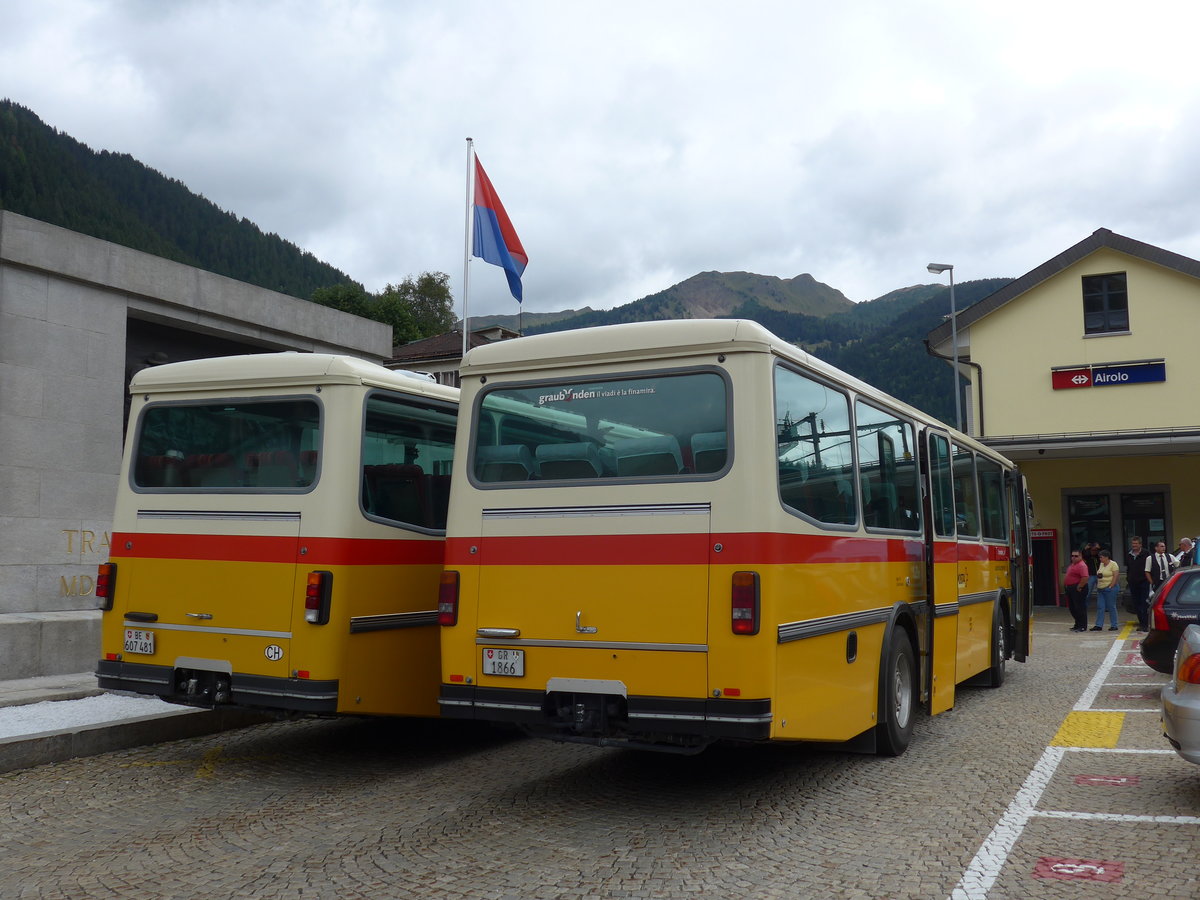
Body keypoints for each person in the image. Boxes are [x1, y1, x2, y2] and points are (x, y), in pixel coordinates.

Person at [1091, 548, 1120, 631]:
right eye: (1100, 557)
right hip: (1101, 588)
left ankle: (1114, 625)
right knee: (1100, 607)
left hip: (1110, 588)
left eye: (1101, 557)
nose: (1100, 559)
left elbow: (1115, 576)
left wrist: (1111, 585)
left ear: (1107, 557)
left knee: (1111, 606)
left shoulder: (1113, 564)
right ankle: (1099, 625)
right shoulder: (1101, 564)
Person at [1126, 536, 1151, 632]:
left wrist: (1148, 579)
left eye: (1136, 544)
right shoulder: (1129, 554)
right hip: (1133, 583)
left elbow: (1150, 567)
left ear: (1140, 544)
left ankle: (1145, 624)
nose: (1134, 546)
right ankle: (1141, 623)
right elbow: (1128, 568)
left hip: (1144, 582)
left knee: (1144, 604)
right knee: (1136, 604)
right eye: (1133, 544)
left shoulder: (1146, 554)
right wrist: (1129, 578)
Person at [1063, 549, 1090, 632]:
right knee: (1073, 608)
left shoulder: (1082, 565)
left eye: (1076, 556)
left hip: (1078, 588)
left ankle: (1082, 626)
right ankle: (1077, 624)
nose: (1073, 558)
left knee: (1080, 607)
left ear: (1081, 556)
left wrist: (1079, 586)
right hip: (1070, 588)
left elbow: (1085, 577)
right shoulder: (1072, 565)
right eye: (1072, 556)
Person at [1082, 542, 1101, 609]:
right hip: (1090, 575)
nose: (1094, 552)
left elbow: (1105, 553)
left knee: (1101, 592)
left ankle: (1102, 606)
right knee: (1088, 592)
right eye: (1093, 550)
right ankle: (1085, 606)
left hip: (1099, 575)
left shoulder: (1099, 556)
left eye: (1095, 550)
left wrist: (1099, 547)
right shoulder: (1088, 556)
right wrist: (1085, 548)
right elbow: (1082, 554)